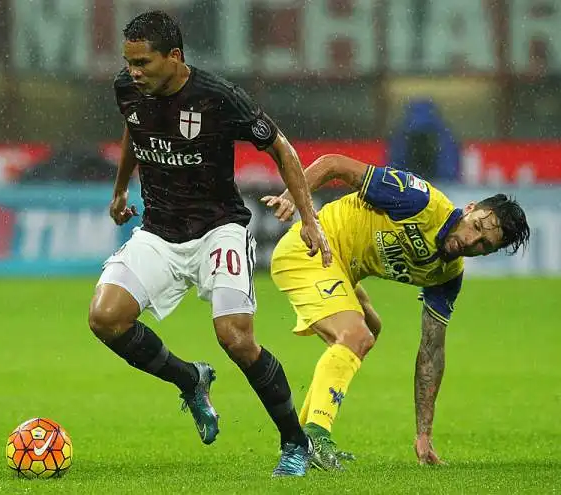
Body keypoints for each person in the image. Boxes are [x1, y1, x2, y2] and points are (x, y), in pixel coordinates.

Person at [87, 11, 331, 477]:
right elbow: (134, 130)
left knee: (235, 338)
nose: (132, 72)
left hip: (219, 228)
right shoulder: (130, 89)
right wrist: (120, 190)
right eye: (128, 62)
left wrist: (308, 218)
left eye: (142, 62)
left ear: (174, 57)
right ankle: (190, 379)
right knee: (105, 318)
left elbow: (281, 146)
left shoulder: (217, 97)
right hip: (159, 232)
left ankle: (295, 444)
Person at [262, 154, 530, 470]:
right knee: (356, 336)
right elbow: (333, 164)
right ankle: (316, 437)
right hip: (310, 250)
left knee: (371, 329)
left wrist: (424, 434)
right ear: (470, 208)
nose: (471, 241)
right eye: (476, 227)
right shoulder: (420, 201)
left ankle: (301, 441)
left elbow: (432, 351)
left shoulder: (447, 275)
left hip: (339, 268)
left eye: (484, 244)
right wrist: (294, 199)